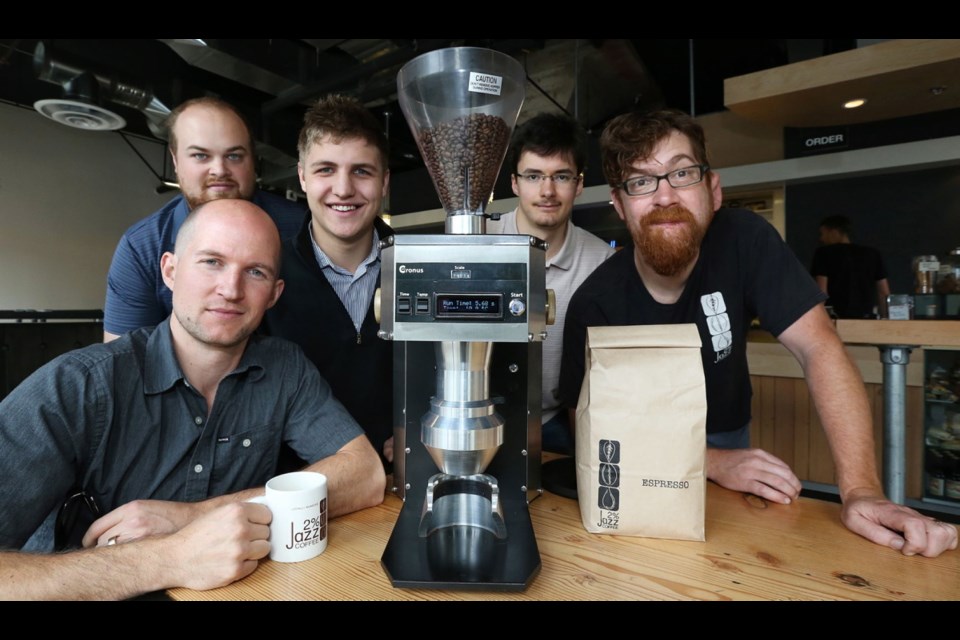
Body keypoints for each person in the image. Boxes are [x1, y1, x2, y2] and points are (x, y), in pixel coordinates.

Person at [560, 108, 957, 558]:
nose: (664, 195)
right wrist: (706, 462)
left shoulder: (744, 238)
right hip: (639, 458)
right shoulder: (596, 301)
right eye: (640, 181)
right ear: (619, 204)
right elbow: (589, 427)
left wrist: (862, 490)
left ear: (713, 189)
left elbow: (817, 346)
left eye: (682, 173)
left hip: (729, 432)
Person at [0, 199, 385, 599]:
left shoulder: (284, 368)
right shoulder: (76, 386)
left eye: (255, 272)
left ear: (273, 294)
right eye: (212, 262)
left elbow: (365, 475)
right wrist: (170, 556)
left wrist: (194, 517)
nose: (230, 289)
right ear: (170, 270)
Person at [103, 96, 306, 341]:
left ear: (253, 161)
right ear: (176, 161)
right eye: (200, 155)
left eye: (234, 156)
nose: (219, 170)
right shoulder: (142, 247)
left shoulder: (303, 228)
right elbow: (123, 362)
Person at [260, 95, 394, 465]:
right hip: (299, 490)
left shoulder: (423, 270)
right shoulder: (265, 274)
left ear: (384, 182)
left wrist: (418, 427)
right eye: (325, 170)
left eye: (361, 171)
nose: (344, 189)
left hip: (402, 482)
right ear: (302, 176)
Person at [486, 113, 614, 454]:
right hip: (479, 417)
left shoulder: (602, 263)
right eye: (533, 176)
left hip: (556, 422)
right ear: (514, 183)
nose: (547, 191)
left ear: (579, 183)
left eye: (561, 176)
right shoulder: (477, 241)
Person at [811, 214, 891, 318]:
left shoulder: (823, 253)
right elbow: (883, 292)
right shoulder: (872, 254)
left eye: (823, 233)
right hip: (865, 317)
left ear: (834, 232)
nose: (821, 238)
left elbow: (822, 291)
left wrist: (820, 319)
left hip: (836, 317)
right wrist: (886, 317)